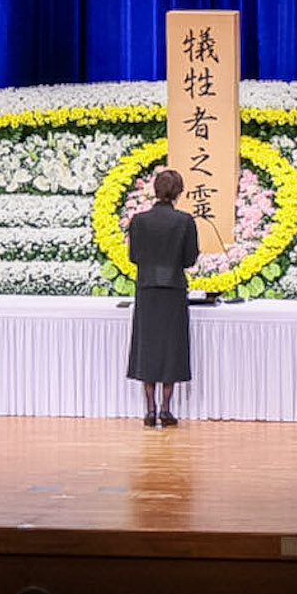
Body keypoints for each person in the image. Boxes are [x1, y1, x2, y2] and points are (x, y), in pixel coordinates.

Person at [124, 167, 201, 427]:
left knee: (148, 346)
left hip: (147, 289)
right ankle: (167, 409)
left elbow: (134, 257)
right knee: (171, 348)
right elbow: (189, 260)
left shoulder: (139, 221)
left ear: (155, 190)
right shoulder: (184, 221)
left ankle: (149, 408)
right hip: (173, 291)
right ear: (178, 192)